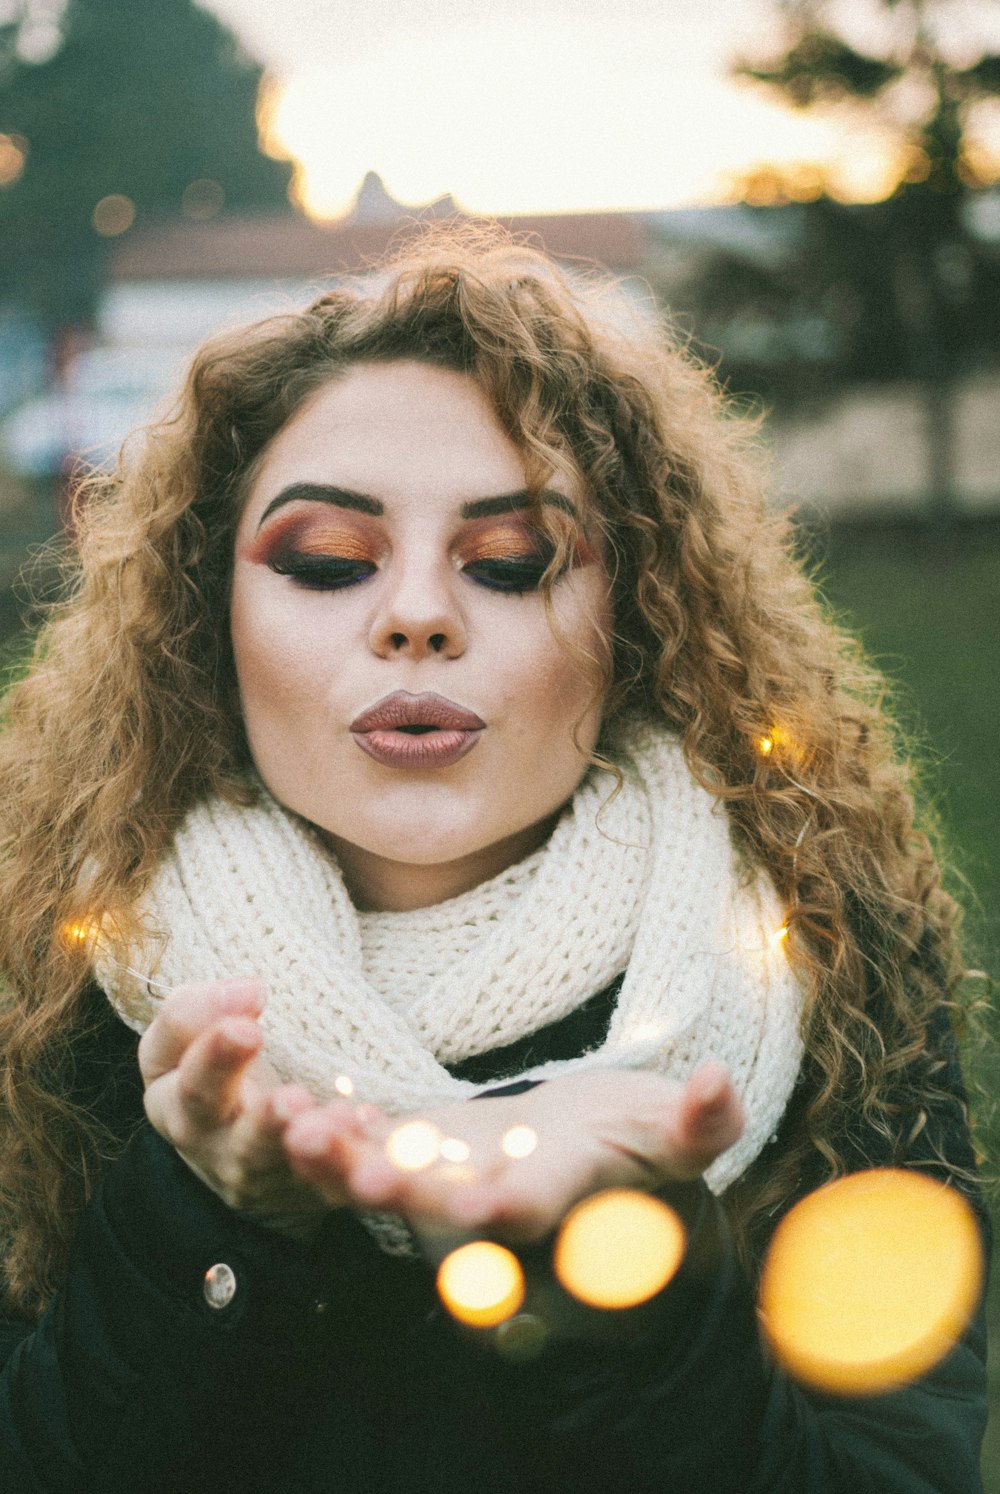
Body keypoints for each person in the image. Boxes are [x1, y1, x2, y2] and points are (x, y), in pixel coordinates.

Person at [0, 227, 989, 1493]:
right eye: (326, 562)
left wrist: (614, 1260)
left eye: (511, 563)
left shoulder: (818, 957)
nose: (417, 615)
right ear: (208, 618)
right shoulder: (57, 976)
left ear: (632, 619)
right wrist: (209, 1218)